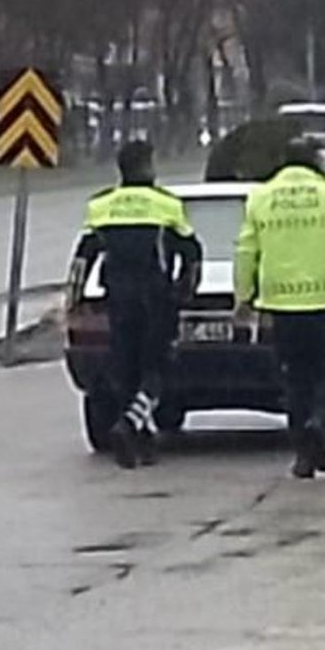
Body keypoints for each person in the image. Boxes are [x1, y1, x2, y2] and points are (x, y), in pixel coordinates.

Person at [234, 140, 325, 479]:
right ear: (315, 163)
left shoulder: (261, 199)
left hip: (282, 306)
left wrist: (243, 297)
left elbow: (245, 251)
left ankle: (302, 454)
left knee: (294, 378)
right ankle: (318, 420)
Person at [68, 140, 202, 469]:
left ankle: (140, 438)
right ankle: (129, 424)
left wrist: (72, 300)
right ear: (148, 166)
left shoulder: (102, 207)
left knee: (126, 368)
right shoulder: (165, 205)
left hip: (118, 299)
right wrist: (185, 289)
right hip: (155, 297)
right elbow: (192, 253)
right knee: (157, 368)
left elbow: (83, 259)